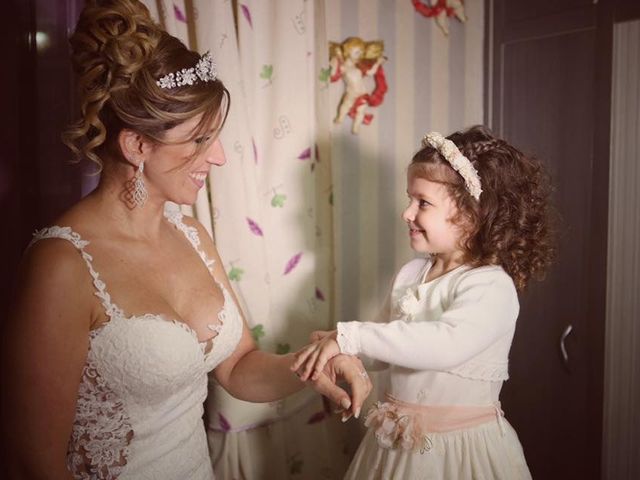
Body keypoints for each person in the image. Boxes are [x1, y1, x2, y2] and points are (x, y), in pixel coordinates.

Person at [0, 1, 371, 479]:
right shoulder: (60, 265)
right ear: (137, 145)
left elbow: (240, 367)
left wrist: (312, 365)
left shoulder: (193, 235)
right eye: (198, 140)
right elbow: (34, 464)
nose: (216, 156)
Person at [293, 126, 556, 479]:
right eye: (409, 199)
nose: (406, 213)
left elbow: (444, 345)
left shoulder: (490, 286)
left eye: (423, 203)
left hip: (460, 453)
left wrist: (353, 335)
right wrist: (342, 349)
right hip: (398, 449)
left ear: (472, 216)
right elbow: (386, 344)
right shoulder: (411, 273)